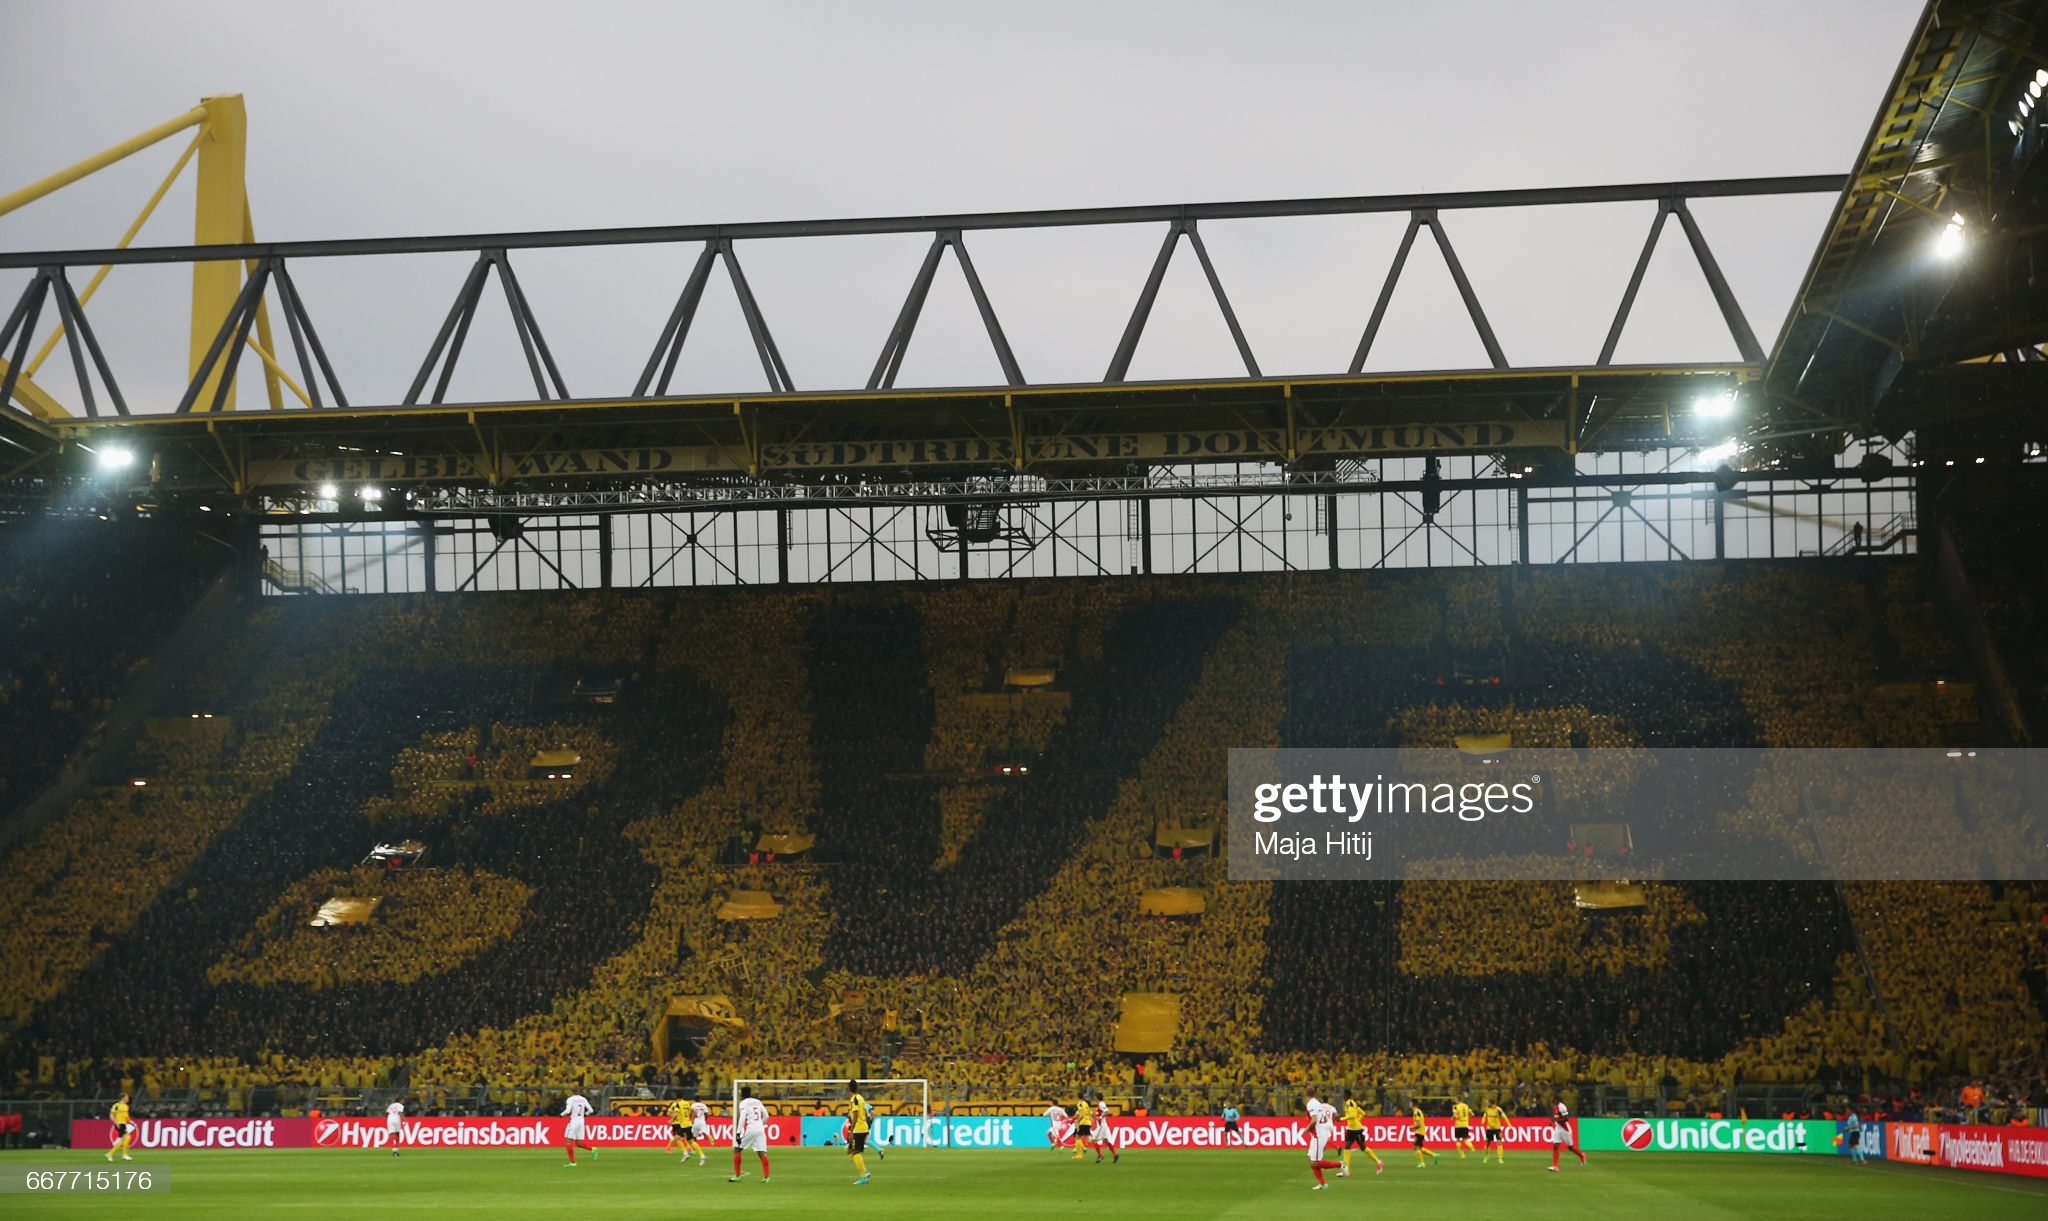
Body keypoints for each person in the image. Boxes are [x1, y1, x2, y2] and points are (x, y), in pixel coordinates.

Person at [730, 1087, 770, 1183]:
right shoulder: (757, 1101)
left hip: (751, 1129)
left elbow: (743, 1118)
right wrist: (761, 1124)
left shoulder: (743, 1103)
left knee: (737, 1149)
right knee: (762, 1153)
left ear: (742, 1094)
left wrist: (738, 1133)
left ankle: (737, 1176)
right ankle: (766, 1177)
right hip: (760, 1129)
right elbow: (767, 1116)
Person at [1339, 1093, 1382, 1175]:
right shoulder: (1353, 1103)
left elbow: (1352, 1115)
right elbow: (1363, 1113)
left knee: (1363, 1147)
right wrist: (1358, 1120)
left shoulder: (1349, 1103)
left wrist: (1341, 1119)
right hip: (1352, 1128)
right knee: (1347, 1146)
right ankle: (1346, 1169)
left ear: (1344, 1097)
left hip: (1356, 1129)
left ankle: (1378, 1162)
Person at [1305, 1094, 1342, 1189]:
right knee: (1312, 1160)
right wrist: (1337, 1119)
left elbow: (1315, 1119)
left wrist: (1307, 1129)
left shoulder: (1318, 1106)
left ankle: (1340, 1164)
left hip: (1320, 1131)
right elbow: (1335, 1117)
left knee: (1315, 1162)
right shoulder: (1331, 1107)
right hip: (1328, 1126)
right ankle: (1322, 1183)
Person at [845, 1080, 873, 1185]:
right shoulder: (860, 1098)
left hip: (858, 1129)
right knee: (851, 1151)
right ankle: (865, 1171)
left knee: (854, 1152)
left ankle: (864, 1176)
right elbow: (865, 1113)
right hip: (863, 1127)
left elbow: (855, 1115)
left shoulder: (854, 1099)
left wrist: (851, 1131)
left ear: (849, 1088)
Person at [1547, 1098, 1586, 1172]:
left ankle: (1581, 1155)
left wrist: (1556, 1120)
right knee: (1555, 1146)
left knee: (1570, 1148)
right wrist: (1552, 1121)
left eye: (1553, 1100)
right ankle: (1555, 1166)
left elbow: (1566, 1119)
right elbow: (1556, 1116)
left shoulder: (1562, 1107)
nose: (1552, 1102)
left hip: (1565, 1129)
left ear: (1557, 1100)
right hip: (1558, 1129)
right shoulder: (1555, 1107)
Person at [562, 1091, 596, 1166]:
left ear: (572, 1092)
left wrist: (561, 1115)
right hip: (581, 1122)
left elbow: (567, 1111)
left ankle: (573, 1162)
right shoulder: (583, 1099)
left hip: (574, 1122)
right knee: (579, 1143)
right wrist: (585, 1115)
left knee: (568, 1142)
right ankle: (592, 1149)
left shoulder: (570, 1099)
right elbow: (591, 1110)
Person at [106, 1094, 133, 1163]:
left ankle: (110, 1154)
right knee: (127, 1137)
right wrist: (116, 1122)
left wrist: (130, 1121)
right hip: (119, 1124)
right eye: (127, 1097)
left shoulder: (126, 1106)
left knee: (124, 1139)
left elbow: (126, 1116)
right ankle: (124, 1155)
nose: (128, 1098)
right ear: (123, 1098)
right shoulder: (116, 1105)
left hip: (124, 1124)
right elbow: (111, 1115)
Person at [1482, 1099, 1508, 1164]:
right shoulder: (1487, 1109)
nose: (1487, 1104)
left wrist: (1510, 1125)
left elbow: (1505, 1117)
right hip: (1489, 1129)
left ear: (1491, 1103)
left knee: (1499, 1142)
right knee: (1487, 1143)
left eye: (1488, 1103)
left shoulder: (1498, 1109)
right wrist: (1483, 1121)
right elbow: (1485, 1116)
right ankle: (1486, 1156)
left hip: (1497, 1129)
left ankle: (1500, 1158)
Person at [1071, 1097, 1094, 1162]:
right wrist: (1092, 1122)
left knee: (1077, 1137)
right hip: (1088, 1123)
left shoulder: (1081, 1106)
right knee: (1088, 1140)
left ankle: (1080, 1154)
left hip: (1083, 1123)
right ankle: (1099, 1139)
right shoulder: (1088, 1108)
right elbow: (1091, 1115)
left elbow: (1080, 1115)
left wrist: (1077, 1121)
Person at [689, 1099, 710, 1165]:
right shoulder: (703, 1105)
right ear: (700, 1099)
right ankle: (709, 1137)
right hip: (702, 1122)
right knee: (706, 1134)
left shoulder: (693, 1105)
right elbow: (706, 1114)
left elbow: (690, 1113)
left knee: (693, 1137)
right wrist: (704, 1120)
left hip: (695, 1122)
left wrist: (690, 1120)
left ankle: (693, 1149)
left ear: (694, 1100)